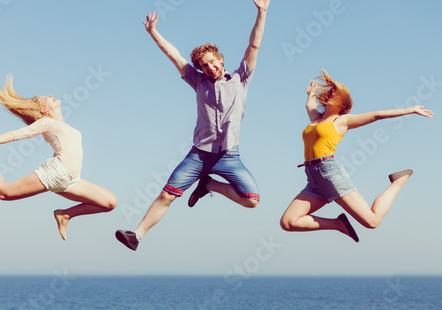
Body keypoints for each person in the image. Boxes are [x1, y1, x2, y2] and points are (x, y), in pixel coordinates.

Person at [116, 0, 270, 251]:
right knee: (167, 194)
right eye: (205, 66)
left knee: (252, 200)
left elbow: (254, 44)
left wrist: (261, 12)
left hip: (229, 155)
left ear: (220, 59)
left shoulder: (241, 78)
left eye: (213, 62)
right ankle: (137, 235)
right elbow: (173, 55)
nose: (210, 68)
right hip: (199, 155)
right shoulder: (198, 82)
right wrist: (154, 32)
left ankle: (209, 185)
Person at [0, 75, 117, 240]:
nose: (51, 95)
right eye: (46, 98)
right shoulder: (46, 123)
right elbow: (16, 134)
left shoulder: (64, 126)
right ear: (44, 111)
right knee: (3, 193)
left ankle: (65, 215)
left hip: (72, 180)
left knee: (110, 202)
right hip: (55, 173)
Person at [279, 69, 434, 242]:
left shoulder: (342, 121)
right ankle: (338, 224)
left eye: (335, 94)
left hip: (329, 173)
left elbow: (377, 115)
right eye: (331, 92)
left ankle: (399, 181)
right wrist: (311, 93)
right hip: (313, 179)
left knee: (372, 221)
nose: (330, 95)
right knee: (288, 222)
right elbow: (310, 106)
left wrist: (411, 109)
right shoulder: (317, 119)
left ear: (342, 103)